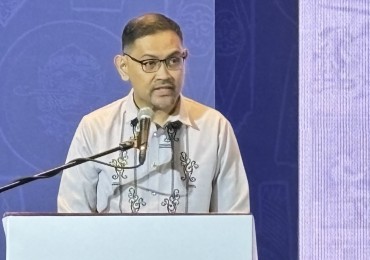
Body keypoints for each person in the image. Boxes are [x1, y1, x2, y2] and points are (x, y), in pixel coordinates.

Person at [57, 13, 250, 214]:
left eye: (174, 60)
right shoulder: (95, 128)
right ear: (123, 67)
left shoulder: (214, 128)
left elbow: (235, 219)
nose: (164, 75)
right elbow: (72, 218)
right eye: (150, 63)